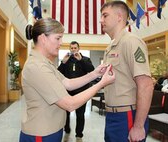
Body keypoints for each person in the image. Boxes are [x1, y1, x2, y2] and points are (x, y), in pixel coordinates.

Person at [20, 18, 115, 142]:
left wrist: (94, 74)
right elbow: (69, 104)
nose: (61, 43)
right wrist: (101, 83)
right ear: (43, 38)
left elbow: (68, 83)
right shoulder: (37, 66)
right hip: (41, 134)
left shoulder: (45, 63)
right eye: (58, 38)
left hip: (50, 130)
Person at [100, 1, 154, 142]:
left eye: (105, 16)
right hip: (112, 115)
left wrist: (138, 126)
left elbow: (146, 85)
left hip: (127, 116)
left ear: (119, 17)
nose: (101, 20)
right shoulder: (110, 47)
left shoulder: (131, 42)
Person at [58, 41, 94, 141]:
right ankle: (67, 129)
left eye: (75, 48)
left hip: (82, 92)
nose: (73, 50)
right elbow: (58, 73)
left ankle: (79, 134)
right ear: (69, 49)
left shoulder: (85, 59)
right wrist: (63, 62)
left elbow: (91, 69)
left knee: (80, 114)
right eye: (71, 48)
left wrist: (81, 60)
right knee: (66, 113)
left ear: (78, 49)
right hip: (68, 92)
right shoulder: (66, 60)